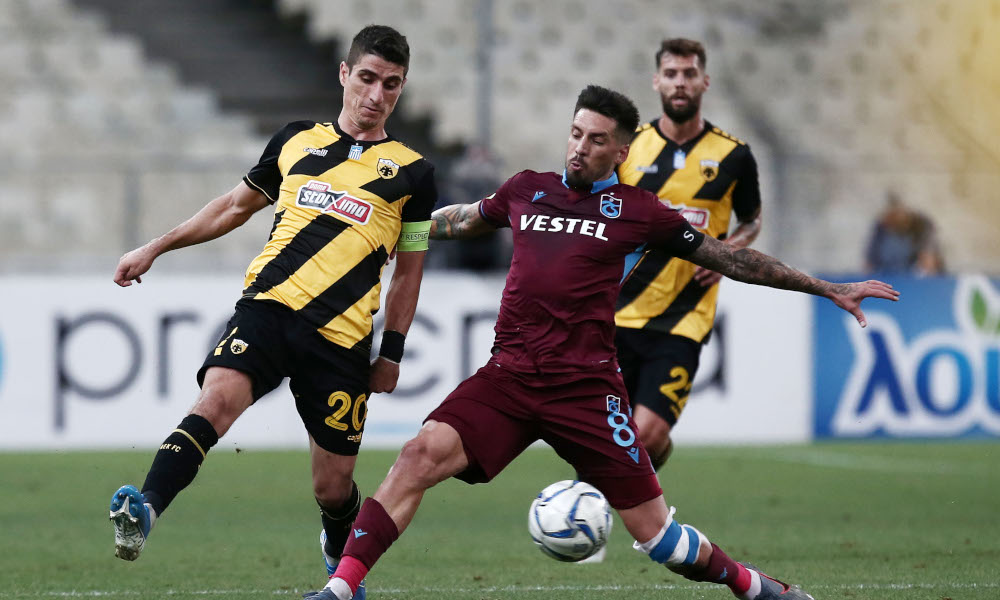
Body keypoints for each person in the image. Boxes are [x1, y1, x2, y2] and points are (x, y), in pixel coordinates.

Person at [305, 86, 898, 600]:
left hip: (585, 391)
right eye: (575, 133)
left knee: (661, 540)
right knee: (417, 456)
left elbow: (733, 259)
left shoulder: (640, 212)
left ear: (621, 151)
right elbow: (459, 220)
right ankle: (342, 587)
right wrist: (382, 219)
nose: (579, 148)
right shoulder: (527, 189)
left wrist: (826, 288)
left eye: (595, 140)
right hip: (509, 377)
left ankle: (755, 587)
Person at [107, 25, 435, 599]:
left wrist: (392, 353)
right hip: (268, 309)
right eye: (366, 78)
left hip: (341, 339)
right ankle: (146, 509)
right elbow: (232, 208)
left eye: (391, 84)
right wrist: (155, 247)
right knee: (216, 401)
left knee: (333, 487)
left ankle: (338, 556)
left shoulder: (414, 173)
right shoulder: (295, 140)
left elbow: (409, 271)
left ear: (401, 88)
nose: (376, 94)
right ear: (344, 73)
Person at [614, 38, 763, 469]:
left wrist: (726, 254)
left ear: (704, 81)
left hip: (683, 319)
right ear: (656, 81)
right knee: (610, 438)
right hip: (616, 313)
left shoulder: (734, 155)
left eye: (689, 74)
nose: (680, 82)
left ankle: (624, 490)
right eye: (672, 74)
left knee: (644, 434)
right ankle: (623, 500)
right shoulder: (628, 148)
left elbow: (752, 220)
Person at [865, 191, 944, 275]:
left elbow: (928, 261)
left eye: (895, 216)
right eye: (887, 218)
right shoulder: (881, 227)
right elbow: (869, 263)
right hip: (886, 275)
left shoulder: (923, 225)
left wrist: (926, 264)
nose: (891, 222)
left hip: (914, 276)